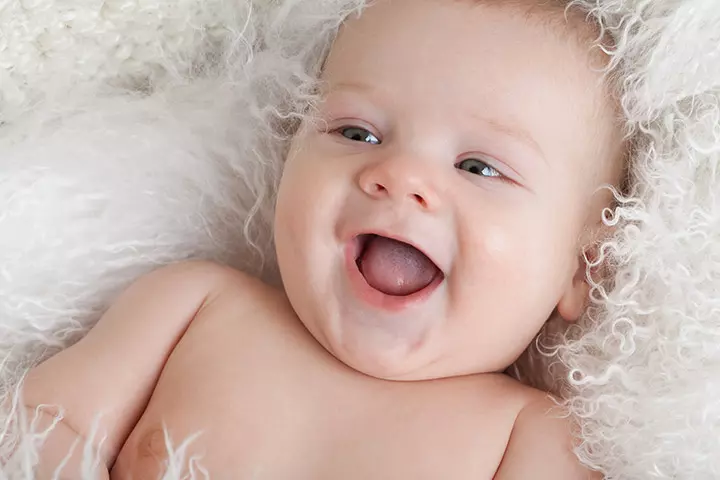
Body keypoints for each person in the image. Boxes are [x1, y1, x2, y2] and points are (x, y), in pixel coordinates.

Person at [20, 0, 625, 478]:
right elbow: (38, 424)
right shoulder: (192, 309)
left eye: (479, 168)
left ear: (579, 269)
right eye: (358, 132)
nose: (400, 175)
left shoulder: (532, 439)